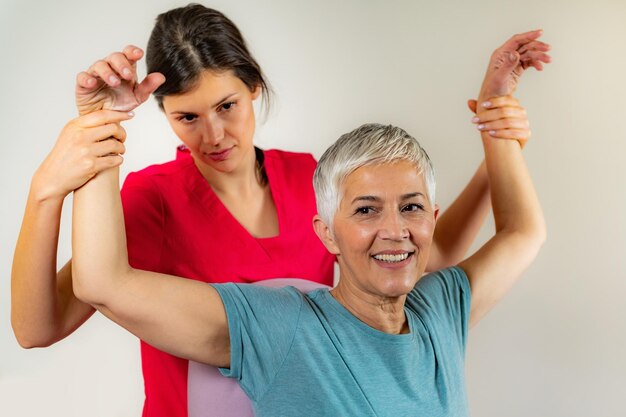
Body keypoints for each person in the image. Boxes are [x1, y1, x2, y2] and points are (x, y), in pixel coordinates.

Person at [10, 4, 551, 417]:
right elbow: (40, 325)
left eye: (227, 106)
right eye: (187, 118)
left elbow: (421, 255)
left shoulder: (307, 177)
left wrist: (496, 149)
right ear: (164, 114)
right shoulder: (154, 200)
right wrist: (47, 190)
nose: (215, 136)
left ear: (254, 87)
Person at [70, 88, 546, 415]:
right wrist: (100, 127)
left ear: (432, 219)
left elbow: (523, 232)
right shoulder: (281, 326)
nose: (395, 230)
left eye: (411, 207)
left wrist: (496, 121)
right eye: (366, 211)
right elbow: (103, 284)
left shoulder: (441, 307)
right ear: (327, 235)